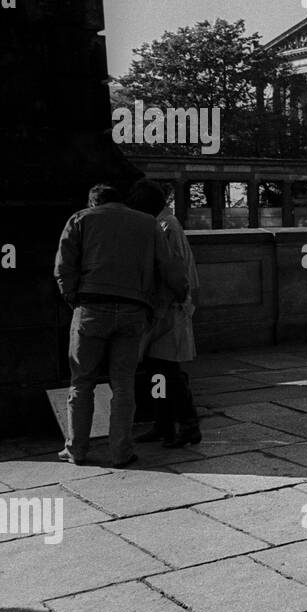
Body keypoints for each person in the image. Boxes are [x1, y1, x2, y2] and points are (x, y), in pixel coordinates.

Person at [54, 183, 189, 466]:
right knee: (124, 384)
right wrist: (181, 293)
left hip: (90, 307)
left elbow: (63, 266)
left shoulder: (80, 219)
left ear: (94, 202)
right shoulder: (148, 223)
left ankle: (76, 449)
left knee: (81, 382)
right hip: (133, 310)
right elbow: (169, 266)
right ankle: (120, 452)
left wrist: (74, 298)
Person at [126, 179, 202, 447]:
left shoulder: (166, 226)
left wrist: (161, 310)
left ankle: (187, 425)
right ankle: (165, 425)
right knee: (159, 370)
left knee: (168, 372)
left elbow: (175, 273)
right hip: (165, 308)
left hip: (167, 310)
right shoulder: (165, 224)